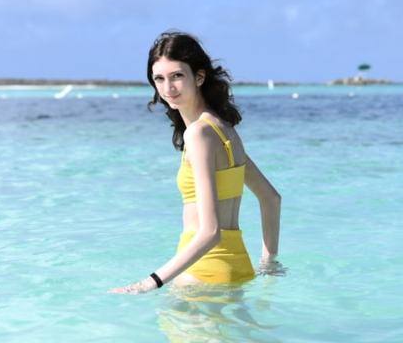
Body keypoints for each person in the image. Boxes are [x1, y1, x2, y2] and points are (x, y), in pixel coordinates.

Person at [109, 31, 282, 294]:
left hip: (202, 273)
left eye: (177, 76)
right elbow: (271, 198)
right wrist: (268, 262)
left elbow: (210, 232)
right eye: (159, 79)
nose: (168, 88)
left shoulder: (199, 134)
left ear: (199, 77)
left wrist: (149, 283)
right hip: (238, 267)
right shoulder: (224, 130)